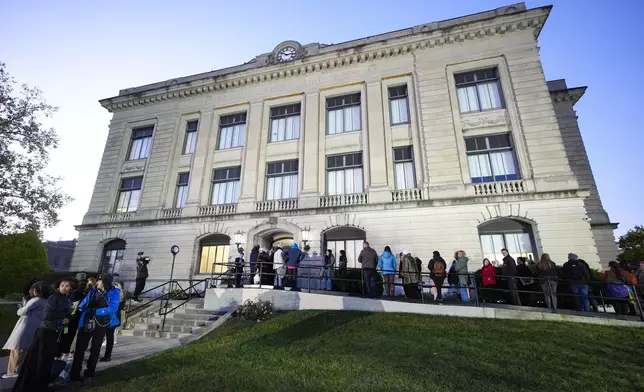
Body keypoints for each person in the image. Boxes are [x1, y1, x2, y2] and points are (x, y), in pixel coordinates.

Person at [12, 280, 71, 392]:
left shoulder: (64, 298)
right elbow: (48, 313)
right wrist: (63, 317)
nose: (65, 287)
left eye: (67, 286)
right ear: (58, 287)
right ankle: (37, 387)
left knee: (45, 361)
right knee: (41, 360)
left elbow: (66, 313)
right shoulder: (54, 297)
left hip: (52, 331)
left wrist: (67, 318)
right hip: (46, 332)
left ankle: (41, 385)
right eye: (62, 285)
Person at [70, 274, 120, 384]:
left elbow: (113, 308)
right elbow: (81, 305)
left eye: (100, 281)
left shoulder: (115, 292)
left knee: (95, 350)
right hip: (87, 321)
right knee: (79, 349)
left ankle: (89, 373)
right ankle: (74, 374)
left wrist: (97, 311)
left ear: (105, 282)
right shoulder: (92, 291)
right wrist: (85, 308)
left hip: (101, 323)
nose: (97, 282)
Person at [2, 282, 48, 379]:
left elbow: (21, 312)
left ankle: (13, 372)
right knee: (25, 350)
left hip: (24, 327)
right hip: (34, 328)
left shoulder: (35, 300)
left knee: (17, 349)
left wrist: (22, 306)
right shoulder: (45, 301)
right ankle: (21, 372)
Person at [57, 276, 87, 359]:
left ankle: (61, 353)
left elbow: (73, 309)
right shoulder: (80, 294)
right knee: (66, 337)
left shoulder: (75, 294)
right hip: (73, 321)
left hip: (70, 321)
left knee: (65, 336)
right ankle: (62, 353)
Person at [100, 281, 125, 362]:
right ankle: (107, 355)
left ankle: (104, 355)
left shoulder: (113, 295)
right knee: (109, 336)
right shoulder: (120, 295)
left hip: (109, 317)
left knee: (103, 336)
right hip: (114, 318)